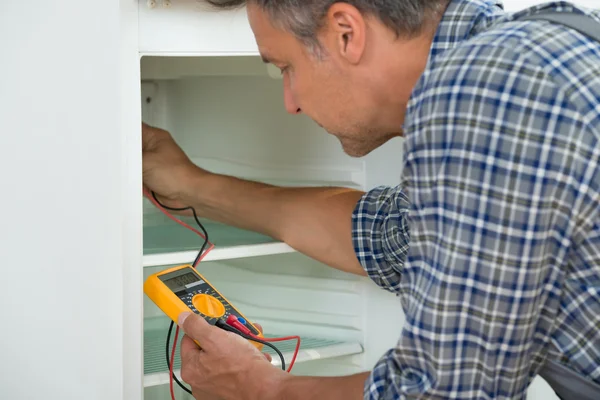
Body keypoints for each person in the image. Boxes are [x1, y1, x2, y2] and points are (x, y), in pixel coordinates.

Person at [142, 0, 600, 398]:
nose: (290, 102)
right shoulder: (545, 47)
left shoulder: (485, 91)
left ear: (347, 32)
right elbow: (390, 236)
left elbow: (444, 393)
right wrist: (190, 184)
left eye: (285, 68)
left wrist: (259, 389)